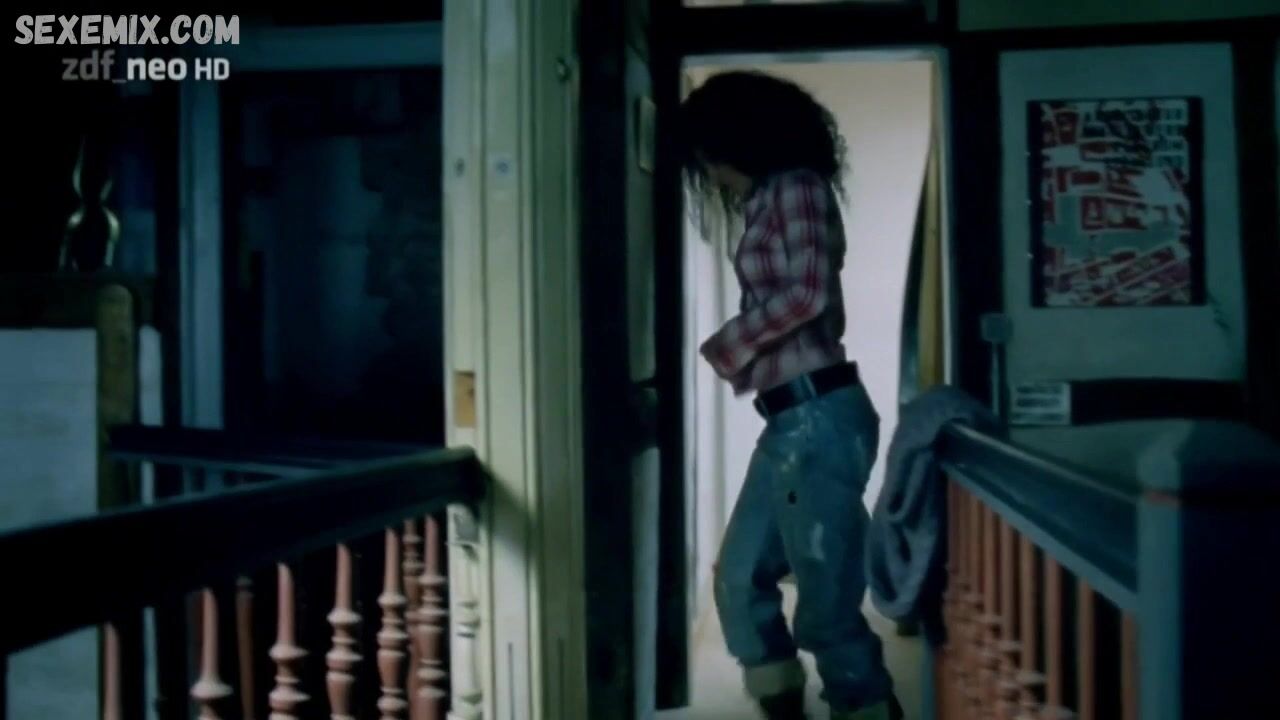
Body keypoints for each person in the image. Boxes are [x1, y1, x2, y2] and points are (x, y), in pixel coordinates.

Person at [678, 70, 903, 720]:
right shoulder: (768, 197)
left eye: (708, 155)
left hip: (818, 416)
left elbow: (806, 292)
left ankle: (865, 706)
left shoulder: (798, 187)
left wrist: (728, 343)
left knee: (827, 607)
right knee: (738, 578)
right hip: (791, 420)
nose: (709, 172)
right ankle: (782, 705)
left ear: (738, 138)